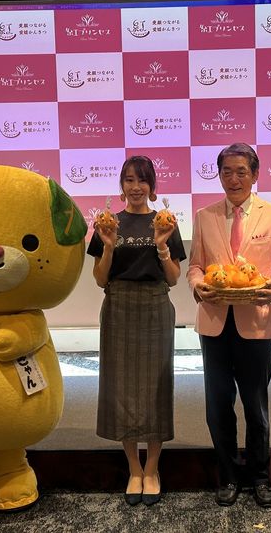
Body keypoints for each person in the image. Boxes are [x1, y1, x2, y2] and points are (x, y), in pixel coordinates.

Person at [187, 143, 271, 508]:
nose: (234, 179)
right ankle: (229, 475)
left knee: (255, 404)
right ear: (219, 175)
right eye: (227, 172)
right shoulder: (204, 215)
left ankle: (261, 476)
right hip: (215, 323)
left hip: (257, 324)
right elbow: (195, 266)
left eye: (241, 172)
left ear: (255, 175)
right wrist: (198, 286)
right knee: (218, 406)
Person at [88, 155, 186, 507]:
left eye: (142, 180)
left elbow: (173, 279)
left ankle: (153, 469)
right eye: (129, 179)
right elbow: (100, 279)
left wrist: (161, 245)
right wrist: (108, 246)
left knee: (156, 388)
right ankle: (133, 467)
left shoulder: (165, 222)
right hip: (119, 307)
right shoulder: (109, 223)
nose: (136, 186)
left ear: (152, 186)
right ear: (122, 185)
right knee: (122, 389)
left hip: (155, 307)